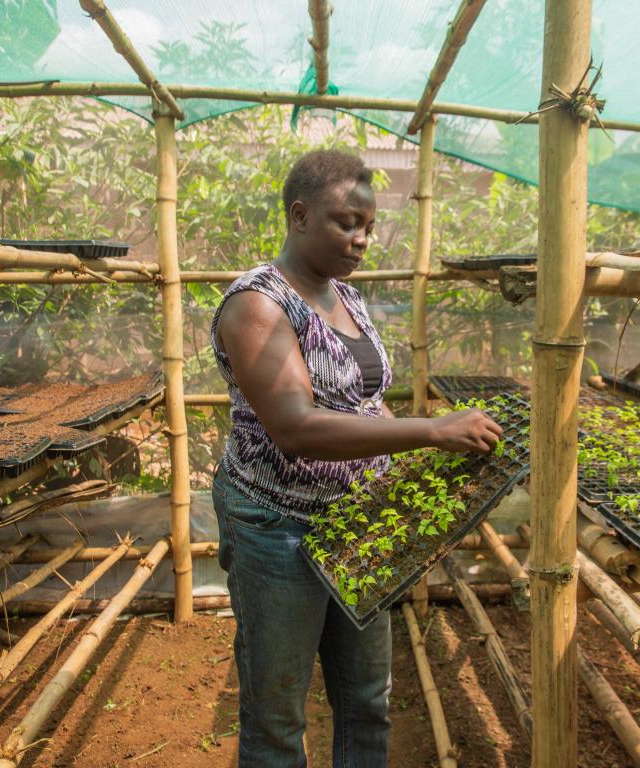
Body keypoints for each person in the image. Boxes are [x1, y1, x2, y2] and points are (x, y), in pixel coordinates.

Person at [210, 149, 502, 768]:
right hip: (278, 525)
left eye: (368, 226)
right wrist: (431, 431)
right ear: (299, 215)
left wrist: (413, 461)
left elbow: (364, 402)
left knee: (367, 698)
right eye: (346, 223)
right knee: (277, 714)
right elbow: (295, 428)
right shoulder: (258, 305)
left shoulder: (347, 297)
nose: (362, 239)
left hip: (357, 522)